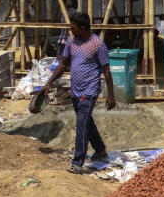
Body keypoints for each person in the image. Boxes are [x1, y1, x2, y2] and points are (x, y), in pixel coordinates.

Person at [40, 12, 116, 174]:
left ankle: (77, 162)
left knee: (81, 124)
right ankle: (100, 150)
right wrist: (49, 83)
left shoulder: (97, 44)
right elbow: (63, 64)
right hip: (75, 90)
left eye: (73, 27)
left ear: (81, 28)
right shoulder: (71, 41)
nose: (70, 30)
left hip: (90, 91)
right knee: (87, 122)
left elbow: (107, 71)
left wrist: (111, 96)